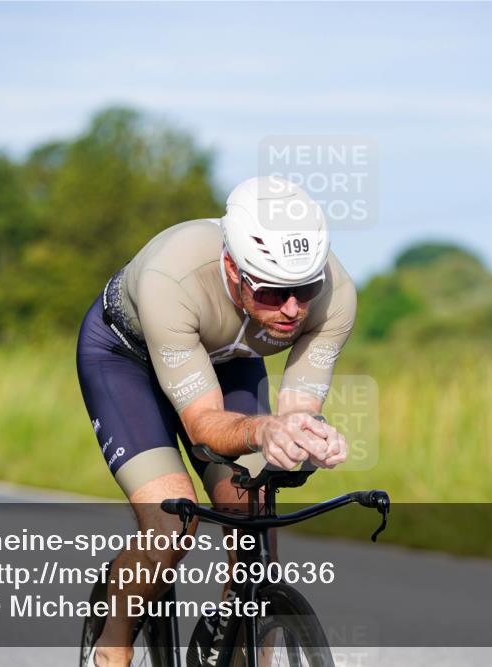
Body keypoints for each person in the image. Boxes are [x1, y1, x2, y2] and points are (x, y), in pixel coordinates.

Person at [76, 176, 357, 667]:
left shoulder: (336, 295)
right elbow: (204, 422)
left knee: (253, 510)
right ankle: (112, 645)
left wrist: (307, 435)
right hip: (126, 361)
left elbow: (296, 411)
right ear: (233, 267)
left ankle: (246, 643)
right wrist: (263, 430)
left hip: (228, 360)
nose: (292, 310)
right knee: (171, 521)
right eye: (272, 293)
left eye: (303, 289)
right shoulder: (173, 277)